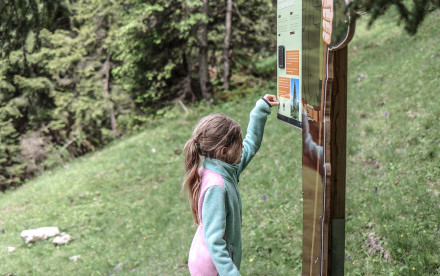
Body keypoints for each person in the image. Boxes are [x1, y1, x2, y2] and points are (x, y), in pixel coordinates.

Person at [182, 94, 279, 276]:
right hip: (213, 269)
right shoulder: (217, 187)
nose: (243, 146)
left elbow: (251, 145)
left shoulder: (224, 168)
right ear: (224, 152)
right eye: (239, 143)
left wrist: (261, 109)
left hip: (214, 262)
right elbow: (215, 241)